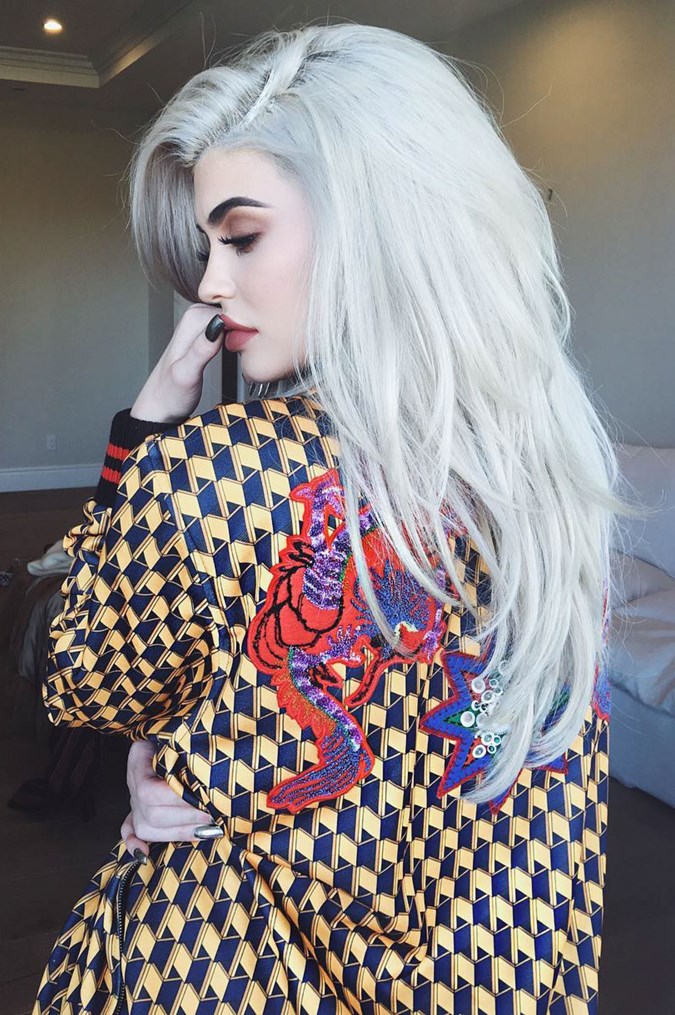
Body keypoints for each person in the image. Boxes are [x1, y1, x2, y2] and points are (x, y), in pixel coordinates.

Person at [33, 21, 632, 1015]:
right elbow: (549, 818)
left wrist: (141, 435)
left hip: (222, 967)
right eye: (208, 246)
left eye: (241, 236)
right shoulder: (560, 486)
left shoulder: (202, 470)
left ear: (373, 223)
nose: (210, 283)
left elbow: (82, 678)